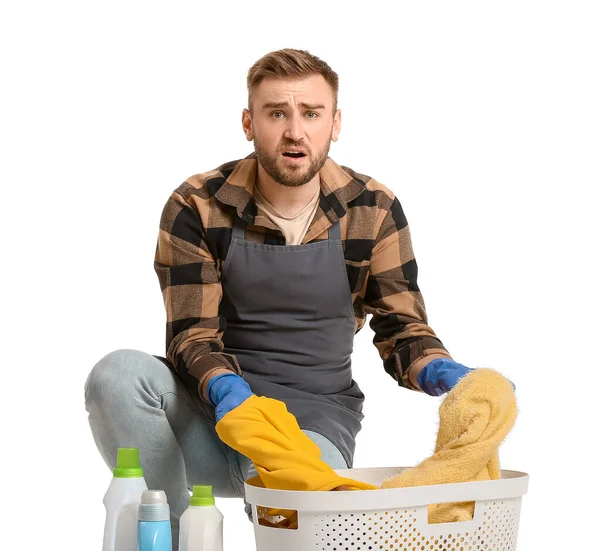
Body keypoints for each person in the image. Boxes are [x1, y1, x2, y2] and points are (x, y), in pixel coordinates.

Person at [84, 48, 476, 549]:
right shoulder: (200, 204)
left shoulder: (372, 208)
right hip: (210, 414)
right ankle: (177, 533)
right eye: (276, 113)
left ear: (335, 123)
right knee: (117, 374)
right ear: (249, 123)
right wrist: (229, 394)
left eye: (311, 113)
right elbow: (192, 336)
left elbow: (402, 329)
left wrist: (443, 372)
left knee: (308, 527)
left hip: (311, 423)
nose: (295, 131)